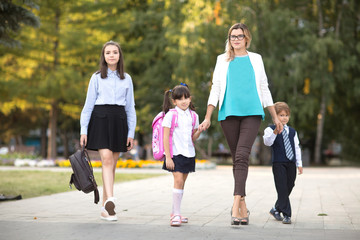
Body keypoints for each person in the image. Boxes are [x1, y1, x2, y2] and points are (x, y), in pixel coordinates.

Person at [198, 23, 283, 226]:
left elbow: (264, 87)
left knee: (242, 155)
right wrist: (208, 116)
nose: (235, 39)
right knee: (238, 159)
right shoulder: (222, 60)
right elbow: (216, 88)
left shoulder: (256, 59)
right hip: (228, 114)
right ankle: (243, 203)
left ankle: (235, 204)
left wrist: (274, 116)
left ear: (247, 38)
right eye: (232, 36)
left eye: (239, 36)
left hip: (252, 112)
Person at [80, 41, 136, 221]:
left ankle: (106, 209)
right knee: (106, 159)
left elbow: (130, 108)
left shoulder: (126, 78)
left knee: (112, 165)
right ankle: (111, 201)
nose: (111, 55)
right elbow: (88, 106)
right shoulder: (96, 77)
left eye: (115, 52)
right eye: (108, 53)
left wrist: (131, 133)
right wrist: (83, 129)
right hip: (100, 119)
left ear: (120, 56)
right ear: (103, 56)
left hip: (119, 120)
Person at [162, 84, 201, 227]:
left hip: (189, 153)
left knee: (182, 183)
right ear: (174, 101)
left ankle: (175, 212)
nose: (184, 101)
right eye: (180, 99)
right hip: (175, 154)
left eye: (186, 98)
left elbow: (193, 137)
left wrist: (200, 130)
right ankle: (176, 214)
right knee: (178, 181)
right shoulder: (171, 115)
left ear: (190, 99)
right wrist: (168, 157)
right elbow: (165, 137)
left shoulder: (194, 116)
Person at [263, 102, 303, 224]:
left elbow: (296, 147)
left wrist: (299, 163)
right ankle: (287, 215)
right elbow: (267, 142)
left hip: (291, 162)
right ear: (275, 116)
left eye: (286, 115)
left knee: (290, 185)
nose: (284, 117)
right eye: (281, 115)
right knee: (282, 188)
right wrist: (275, 132)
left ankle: (276, 208)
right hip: (278, 163)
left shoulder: (292, 131)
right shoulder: (270, 129)